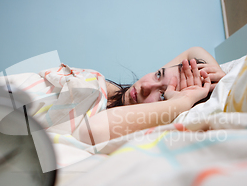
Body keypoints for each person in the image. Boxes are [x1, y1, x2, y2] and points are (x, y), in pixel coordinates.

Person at [73, 47, 226, 145]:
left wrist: (182, 102)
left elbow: (92, 130)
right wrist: (220, 76)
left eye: (162, 96)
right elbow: (194, 51)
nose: (146, 87)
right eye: (158, 74)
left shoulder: (126, 130)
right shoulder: (107, 90)